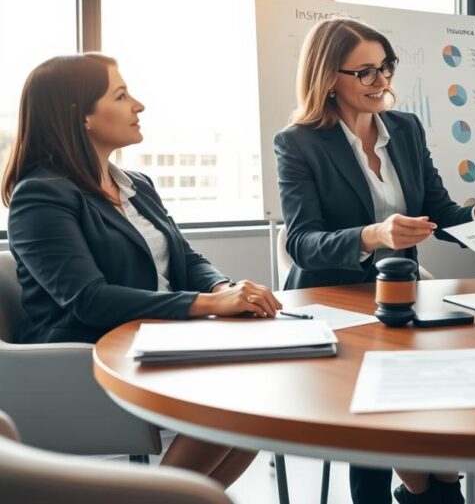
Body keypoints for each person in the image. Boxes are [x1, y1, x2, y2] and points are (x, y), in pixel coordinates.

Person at [274, 18, 475, 504]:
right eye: (366, 72)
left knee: (427, 416)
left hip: (400, 297)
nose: (382, 82)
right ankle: (418, 487)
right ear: (330, 77)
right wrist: (373, 235)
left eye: (386, 68)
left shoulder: (405, 129)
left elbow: (440, 209)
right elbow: (304, 242)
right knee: (388, 423)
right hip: (332, 301)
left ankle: (426, 485)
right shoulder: (299, 142)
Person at [2, 53, 281, 487]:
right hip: (88, 356)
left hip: (155, 339)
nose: (139, 105)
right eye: (121, 94)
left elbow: (186, 259)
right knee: (239, 395)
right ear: (82, 117)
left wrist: (227, 287)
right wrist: (210, 303)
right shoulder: (39, 195)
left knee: (261, 403)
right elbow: (88, 299)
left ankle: (165, 497)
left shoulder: (136, 185)